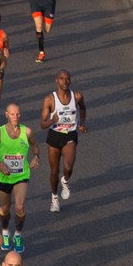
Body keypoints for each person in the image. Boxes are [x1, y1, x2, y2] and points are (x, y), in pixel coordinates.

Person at [0, 104, 39, 252]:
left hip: (21, 175)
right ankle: (5, 232)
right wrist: (0, 163)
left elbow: (35, 145)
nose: (15, 117)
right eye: (12, 114)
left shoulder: (27, 132)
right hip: (4, 176)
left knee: (19, 207)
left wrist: (36, 156)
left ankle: (17, 234)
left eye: (18, 114)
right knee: (5, 208)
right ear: (6, 115)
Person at [40, 70, 87, 212]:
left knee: (68, 166)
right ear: (56, 81)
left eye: (67, 78)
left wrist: (82, 123)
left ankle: (65, 181)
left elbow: (83, 107)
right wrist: (51, 121)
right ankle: (54, 198)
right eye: (62, 79)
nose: (65, 81)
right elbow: (42, 124)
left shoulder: (76, 96)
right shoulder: (50, 99)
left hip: (69, 135)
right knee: (54, 170)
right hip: (54, 135)